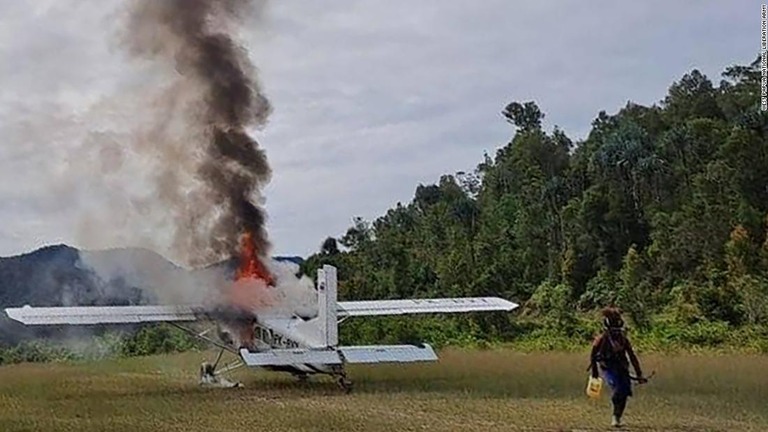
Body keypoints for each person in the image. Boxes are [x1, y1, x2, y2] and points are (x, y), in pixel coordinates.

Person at [590, 307, 646, 428]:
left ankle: (617, 416)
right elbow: (593, 355)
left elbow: (632, 356)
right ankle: (615, 415)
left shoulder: (623, 339)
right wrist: (595, 372)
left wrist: (639, 374)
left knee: (625, 392)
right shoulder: (601, 339)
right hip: (608, 368)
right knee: (618, 389)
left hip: (622, 368)